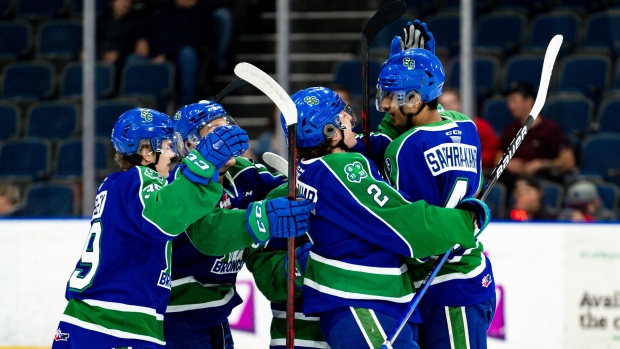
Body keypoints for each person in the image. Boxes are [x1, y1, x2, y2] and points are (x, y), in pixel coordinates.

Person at [52, 107, 314, 349]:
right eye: (166, 146)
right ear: (145, 151)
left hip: (109, 317)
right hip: (117, 321)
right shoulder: (144, 180)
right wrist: (204, 165)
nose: (173, 154)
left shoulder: (124, 185)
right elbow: (166, 219)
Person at [282, 86, 490, 349]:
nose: (348, 119)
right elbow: (404, 222)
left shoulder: (312, 169)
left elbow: (376, 145)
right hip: (362, 300)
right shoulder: (340, 169)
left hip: (366, 300)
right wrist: (466, 219)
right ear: (330, 133)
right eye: (340, 116)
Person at [370, 21, 496, 349]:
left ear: (415, 99)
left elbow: (416, 238)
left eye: (392, 96)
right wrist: (419, 66)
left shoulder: (405, 149)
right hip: (470, 274)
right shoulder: (464, 124)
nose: (384, 105)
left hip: (442, 285)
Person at [164, 100, 293, 348]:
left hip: (217, 317)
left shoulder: (243, 173)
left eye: (227, 126)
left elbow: (283, 190)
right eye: (213, 130)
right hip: (175, 316)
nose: (226, 135)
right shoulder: (180, 186)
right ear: (189, 145)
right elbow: (212, 230)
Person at [129, 0, 232, 106]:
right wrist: (142, 38)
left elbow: (196, 38)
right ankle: (132, 103)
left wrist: (166, 55)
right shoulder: (166, 9)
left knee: (187, 54)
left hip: (182, 53)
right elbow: (150, 26)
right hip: (159, 52)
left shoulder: (203, 11)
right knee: (134, 58)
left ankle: (186, 104)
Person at [497, 81, 576, 193]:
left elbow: (568, 161)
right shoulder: (510, 129)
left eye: (514, 100)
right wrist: (508, 164)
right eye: (509, 101)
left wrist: (541, 164)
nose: (510, 106)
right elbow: (498, 156)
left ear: (529, 102)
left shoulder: (550, 129)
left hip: (542, 181)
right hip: (514, 181)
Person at [438, 86, 500, 173]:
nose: (448, 107)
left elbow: (493, 154)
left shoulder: (479, 125)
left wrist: (466, 160)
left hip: (480, 175)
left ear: (461, 103)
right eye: (443, 104)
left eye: (452, 102)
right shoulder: (434, 130)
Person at [96, 0, 144, 72]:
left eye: (128, 1)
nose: (125, 4)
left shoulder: (136, 22)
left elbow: (134, 46)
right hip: (101, 54)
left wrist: (119, 54)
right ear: (113, 2)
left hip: (122, 57)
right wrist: (101, 54)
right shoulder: (102, 19)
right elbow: (96, 40)